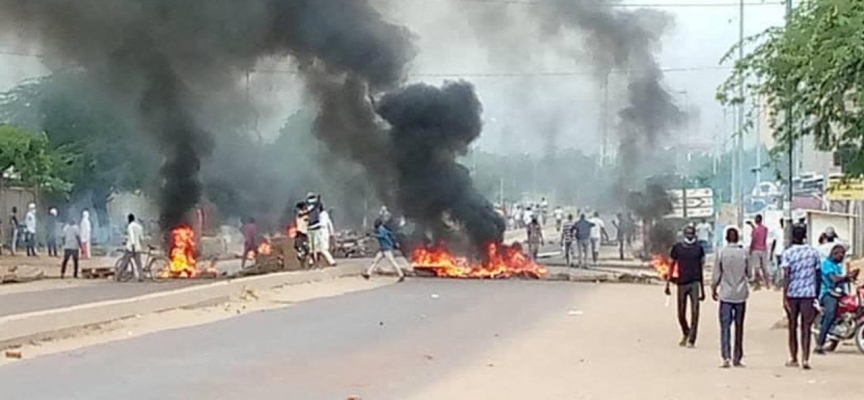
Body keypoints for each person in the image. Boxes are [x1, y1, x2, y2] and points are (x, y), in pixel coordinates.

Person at [781, 224, 821, 370]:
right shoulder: (813, 252)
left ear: (792, 236)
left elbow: (786, 275)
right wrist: (816, 293)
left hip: (792, 294)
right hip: (808, 294)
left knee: (792, 326)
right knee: (806, 327)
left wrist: (784, 296)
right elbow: (818, 274)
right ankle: (805, 358)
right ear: (805, 236)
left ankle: (793, 357)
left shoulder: (788, 253)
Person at [711, 227, 751, 368]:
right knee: (739, 326)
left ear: (727, 238)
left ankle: (726, 356)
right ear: (737, 238)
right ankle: (737, 357)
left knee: (725, 326)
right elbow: (749, 273)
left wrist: (713, 288)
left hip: (726, 294)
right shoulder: (744, 253)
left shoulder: (721, 252)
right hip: (740, 294)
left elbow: (716, 274)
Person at [667, 225, 706, 348]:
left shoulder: (699, 248)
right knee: (680, 313)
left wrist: (702, 288)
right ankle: (686, 332)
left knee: (695, 312)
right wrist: (668, 282)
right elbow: (672, 264)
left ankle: (692, 339)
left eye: (691, 233)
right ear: (684, 234)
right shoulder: (677, 248)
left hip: (694, 283)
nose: (689, 235)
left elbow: (701, 268)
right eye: (687, 233)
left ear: (694, 234)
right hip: (681, 283)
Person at [816, 244, 859, 354]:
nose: (842, 257)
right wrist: (846, 277)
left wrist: (851, 277)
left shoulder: (837, 266)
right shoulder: (826, 264)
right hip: (828, 294)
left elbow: (842, 280)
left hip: (839, 293)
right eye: (840, 255)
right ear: (834, 254)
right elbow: (834, 279)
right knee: (830, 315)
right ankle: (819, 344)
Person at [749, 214, 771, 289]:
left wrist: (750, 249)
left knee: (756, 268)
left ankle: (757, 284)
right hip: (763, 249)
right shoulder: (765, 229)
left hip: (756, 249)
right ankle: (767, 283)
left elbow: (754, 239)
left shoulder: (755, 230)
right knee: (764, 267)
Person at [120, 213, 144, 281]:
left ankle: (118, 276)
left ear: (129, 219)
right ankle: (141, 277)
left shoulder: (130, 226)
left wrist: (133, 245)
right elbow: (141, 238)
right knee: (139, 264)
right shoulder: (139, 227)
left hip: (130, 248)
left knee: (124, 262)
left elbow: (132, 236)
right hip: (138, 248)